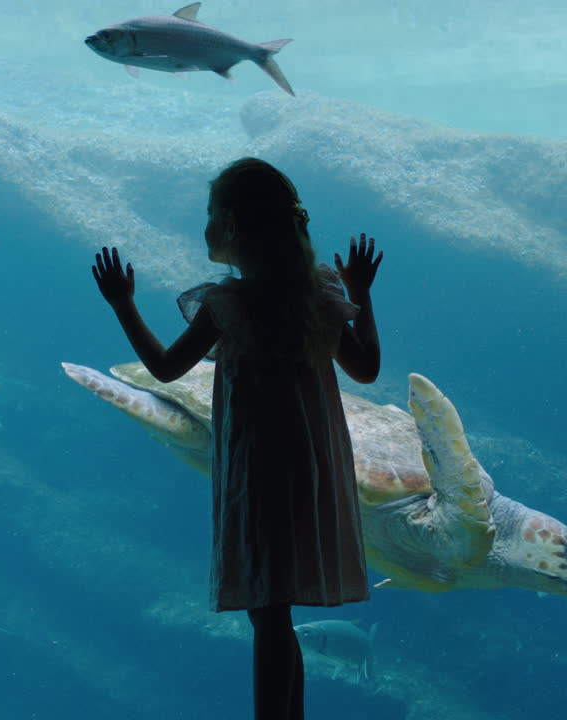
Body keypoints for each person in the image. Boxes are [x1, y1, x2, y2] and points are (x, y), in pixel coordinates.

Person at [91, 157, 383, 720]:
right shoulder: (319, 293)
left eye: (210, 212)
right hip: (314, 464)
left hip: (258, 466)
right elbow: (367, 368)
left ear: (232, 227)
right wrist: (362, 293)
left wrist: (122, 303)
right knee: (277, 615)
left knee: (267, 612)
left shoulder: (231, 304)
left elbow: (166, 367)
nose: (205, 223)